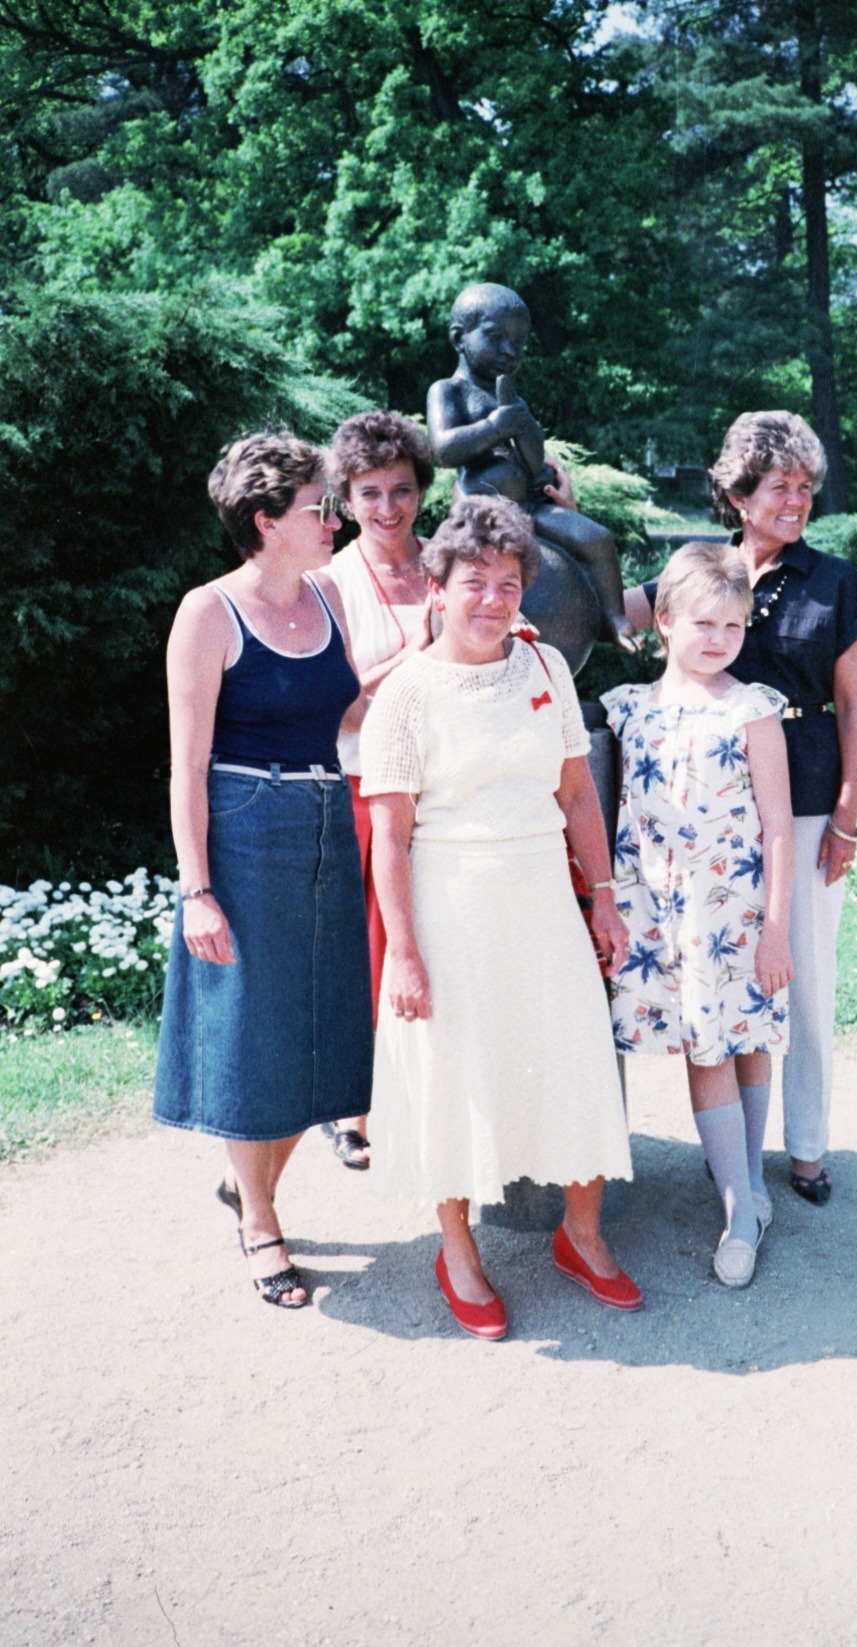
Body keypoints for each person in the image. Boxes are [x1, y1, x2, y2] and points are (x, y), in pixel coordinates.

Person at [359, 494, 640, 1341]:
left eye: (508, 583)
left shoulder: (546, 668)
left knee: (574, 1061)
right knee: (455, 1075)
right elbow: (390, 839)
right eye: (474, 581)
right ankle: (458, 1252)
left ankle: (580, 1235)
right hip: (449, 904)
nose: (492, 598)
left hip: (542, 900)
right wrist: (402, 953)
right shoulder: (404, 695)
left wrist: (602, 895)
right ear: (436, 589)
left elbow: (577, 790)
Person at [625, 411, 857, 1208]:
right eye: (780, 487)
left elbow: (853, 709)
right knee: (712, 981)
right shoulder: (698, 567)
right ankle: (731, 1148)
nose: (796, 500)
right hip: (700, 819)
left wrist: (846, 811)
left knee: (799, 978)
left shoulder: (833, 581)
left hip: (798, 799)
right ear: (739, 496)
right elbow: (619, 615)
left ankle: (803, 1148)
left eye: (806, 488)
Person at [153, 431, 372, 1308]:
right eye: (321, 507)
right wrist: (195, 888)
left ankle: (247, 1182)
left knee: (321, 1020)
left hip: (327, 818)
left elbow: (351, 704)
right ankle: (260, 1220)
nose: (337, 520)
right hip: (245, 828)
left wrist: (454, 649)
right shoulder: (207, 613)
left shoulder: (326, 595)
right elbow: (187, 764)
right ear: (266, 520)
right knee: (255, 1028)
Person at [604, 542, 793, 1288]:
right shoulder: (631, 710)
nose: (718, 638)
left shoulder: (752, 710)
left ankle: (744, 1200)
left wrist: (775, 926)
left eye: (734, 625)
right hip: (663, 912)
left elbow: (777, 823)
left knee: (743, 1038)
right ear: (664, 623)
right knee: (702, 1046)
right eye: (702, 622)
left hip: (738, 910)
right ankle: (739, 1197)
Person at [321, 410, 438, 1171]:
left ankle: (424, 1093)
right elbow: (337, 704)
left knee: (438, 943)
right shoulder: (328, 583)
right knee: (370, 948)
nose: (388, 507)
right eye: (370, 492)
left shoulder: (447, 563)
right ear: (345, 497)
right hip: (364, 785)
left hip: (447, 784)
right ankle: (353, 1106)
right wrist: (420, 649)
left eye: (401, 489)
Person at [426, 281, 639, 653]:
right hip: (481, 510)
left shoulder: (510, 396)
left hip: (528, 508)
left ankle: (614, 619)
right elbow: (444, 449)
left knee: (598, 539)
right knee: (488, 561)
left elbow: (532, 457)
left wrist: (528, 440)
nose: (510, 351)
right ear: (460, 338)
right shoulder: (448, 391)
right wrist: (496, 426)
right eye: (496, 337)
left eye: (519, 343)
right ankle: (510, 614)